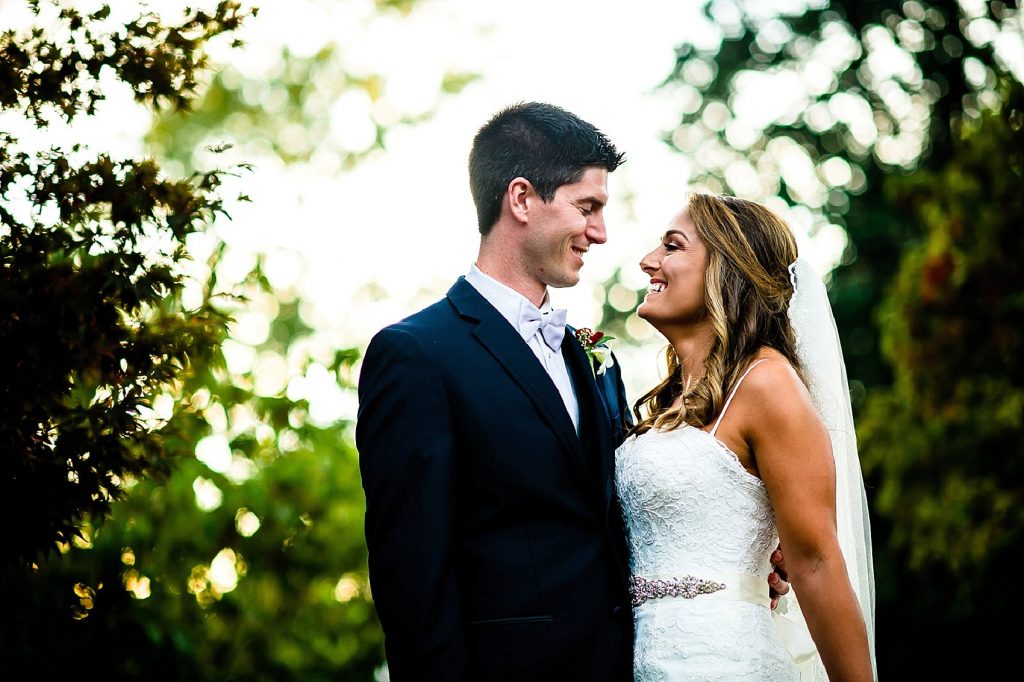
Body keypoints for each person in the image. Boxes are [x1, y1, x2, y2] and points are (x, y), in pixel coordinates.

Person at [356, 102, 635, 681]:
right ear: (522, 199)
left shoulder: (594, 360)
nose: (601, 233)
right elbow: (412, 577)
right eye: (588, 207)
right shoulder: (416, 355)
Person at [615, 192, 876, 681]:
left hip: (725, 663)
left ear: (726, 269)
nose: (648, 261)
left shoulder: (766, 384)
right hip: (645, 660)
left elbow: (817, 561)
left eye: (672, 247)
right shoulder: (672, 400)